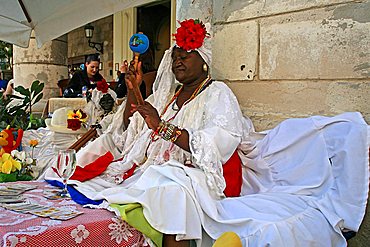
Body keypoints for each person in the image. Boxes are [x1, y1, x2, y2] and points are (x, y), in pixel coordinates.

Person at [45, 19, 369, 247]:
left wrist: (163, 127)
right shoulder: (170, 97)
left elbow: (218, 143)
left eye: (186, 54)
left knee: (170, 185)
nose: (177, 61)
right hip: (159, 167)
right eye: (174, 57)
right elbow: (140, 123)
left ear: (204, 61)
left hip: (206, 175)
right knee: (111, 167)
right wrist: (134, 90)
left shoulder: (218, 94)